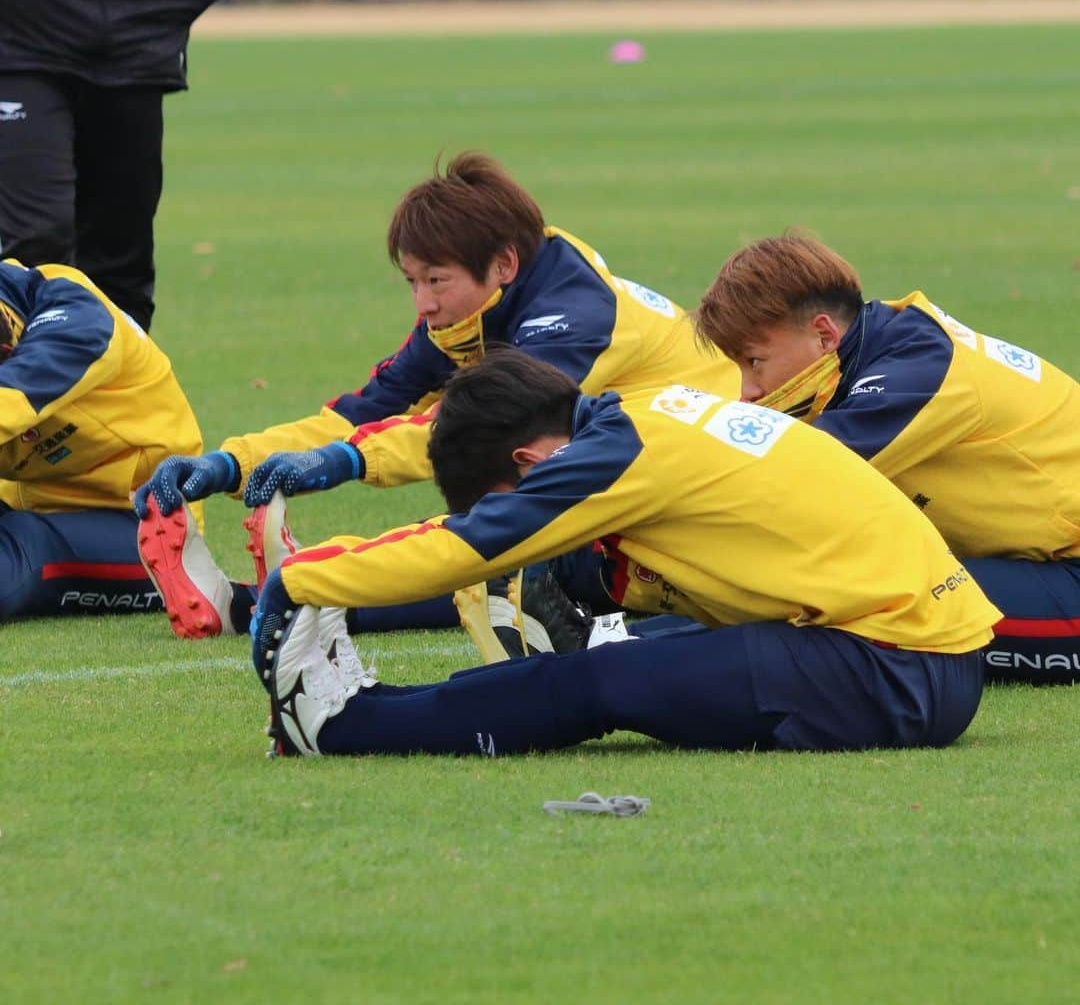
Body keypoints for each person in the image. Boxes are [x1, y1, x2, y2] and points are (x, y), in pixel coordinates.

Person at [246, 348, 998, 759]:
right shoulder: (638, 416)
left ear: (529, 461)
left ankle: (348, 727)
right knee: (599, 637)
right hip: (915, 647)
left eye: (510, 497)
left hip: (898, 666)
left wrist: (306, 578)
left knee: (601, 683)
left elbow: (467, 547)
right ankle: (380, 705)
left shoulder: (613, 457)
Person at [134, 151, 740, 638]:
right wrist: (230, 463)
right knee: (502, 536)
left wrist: (342, 462)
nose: (423, 303)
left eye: (435, 281)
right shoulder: (470, 310)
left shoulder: (572, 320)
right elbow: (361, 413)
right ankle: (281, 595)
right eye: (412, 282)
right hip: (635, 466)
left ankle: (275, 598)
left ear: (502, 265)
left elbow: (467, 433)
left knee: (500, 547)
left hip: (706, 490)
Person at [693, 232, 1080, 685]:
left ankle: (620, 643)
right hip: (1034, 564)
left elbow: (778, 479)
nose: (747, 391)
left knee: (860, 602)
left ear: (823, 334)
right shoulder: (884, 347)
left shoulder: (919, 371)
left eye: (754, 362)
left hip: (1069, 577)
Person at [0, 0, 258, 330]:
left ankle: (120, 388)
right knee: (35, 244)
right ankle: (27, 386)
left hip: (137, 46)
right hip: (18, 46)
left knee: (121, 261)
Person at [0, 258, 220, 621]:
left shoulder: (74, 314)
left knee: (26, 548)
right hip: (32, 504)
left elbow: (13, 397)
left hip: (145, 521)